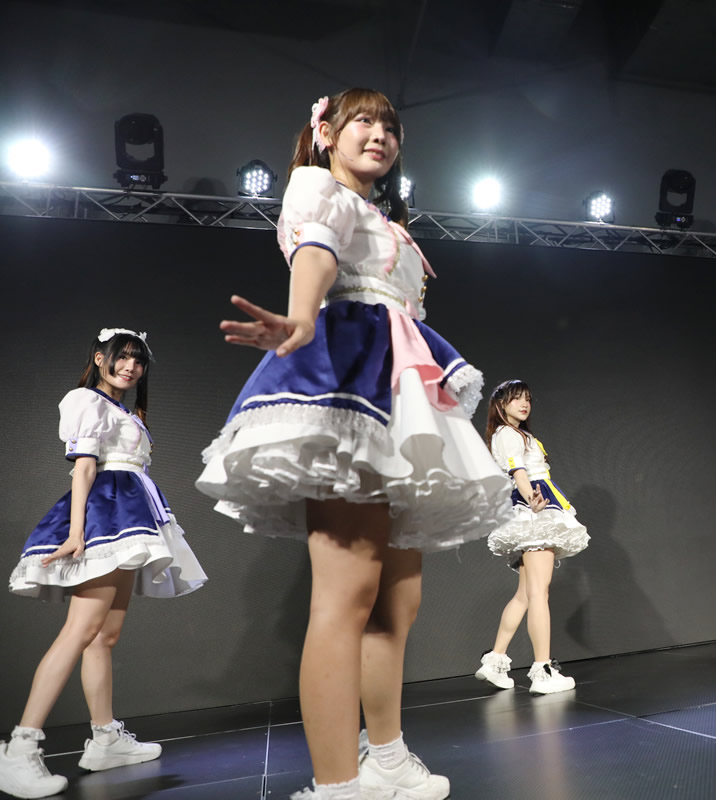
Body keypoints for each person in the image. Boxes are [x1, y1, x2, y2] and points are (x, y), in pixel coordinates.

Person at [195, 89, 511, 800]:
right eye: (363, 120)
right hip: (347, 385)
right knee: (345, 596)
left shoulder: (389, 222)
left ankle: (386, 756)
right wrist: (301, 317)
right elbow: (315, 251)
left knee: (398, 602)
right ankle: (336, 784)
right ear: (326, 133)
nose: (379, 134)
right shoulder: (317, 187)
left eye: (390, 125)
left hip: (396, 391)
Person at [1, 329, 206, 799]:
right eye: (122, 357)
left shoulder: (123, 410)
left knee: (103, 636)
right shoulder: (86, 401)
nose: (131, 366)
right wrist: (77, 533)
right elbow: (85, 467)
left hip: (129, 516)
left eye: (139, 360)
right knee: (80, 631)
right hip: (106, 518)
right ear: (99, 358)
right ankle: (20, 749)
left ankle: (105, 739)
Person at [474, 380, 589, 695]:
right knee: (539, 593)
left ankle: (495, 661)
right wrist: (532, 500)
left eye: (527, 399)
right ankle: (543, 670)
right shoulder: (509, 434)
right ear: (501, 404)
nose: (524, 404)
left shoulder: (513, 433)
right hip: (534, 509)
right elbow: (518, 471)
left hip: (529, 507)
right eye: (516, 399)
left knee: (525, 594)